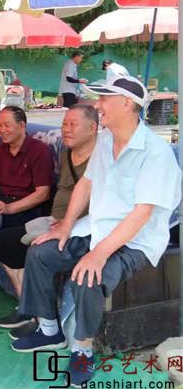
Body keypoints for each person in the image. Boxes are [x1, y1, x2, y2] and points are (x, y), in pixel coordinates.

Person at [11, 76, 181, 388]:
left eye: (104, 100)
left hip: (136, 241)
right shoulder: (104, 140)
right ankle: (49, 330)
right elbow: (86, 184)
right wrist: (65, 226)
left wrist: (98, 254)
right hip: (97, 226)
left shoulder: (155, 152)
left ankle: (83, 350)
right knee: (40, 252)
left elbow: (141, 214)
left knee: (87, 275)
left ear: (127, 104)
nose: (98, 105)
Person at [0, 104, 98, 333]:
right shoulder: (67, 153)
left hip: (79, 228)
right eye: (64, 124)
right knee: (1, 241)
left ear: (92, 128)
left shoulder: (102, 159)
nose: (66, 129)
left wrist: (67, 224)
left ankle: (42, 319)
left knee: (37, 251)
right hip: (53, 219)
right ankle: (27, 307)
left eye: (73, 125)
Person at [0, 106, 53, 301]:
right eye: (0, 126)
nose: (2, 130)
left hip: (28, 207)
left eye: (7, 125)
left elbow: (43, 193)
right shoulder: (1, 150)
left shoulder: (39, 150)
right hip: (2, 200)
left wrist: (9, 208)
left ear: (22, 125)